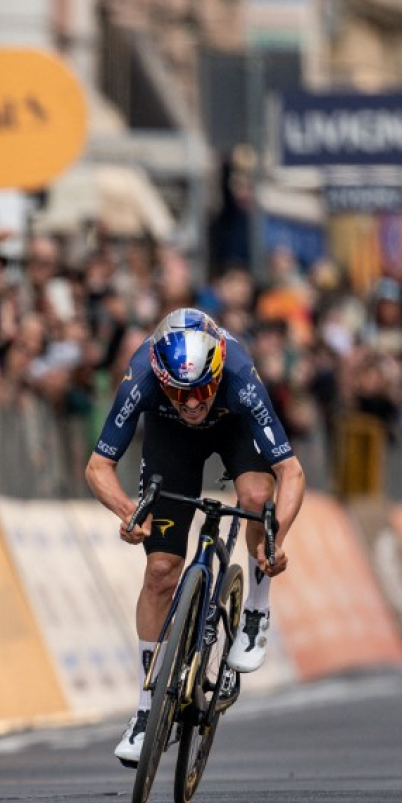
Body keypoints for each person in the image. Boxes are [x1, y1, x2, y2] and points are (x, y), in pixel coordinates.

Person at [84, 308, 307, 767]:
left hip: (234, 429)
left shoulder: (241, 374)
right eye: (179, 392)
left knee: (254, 494)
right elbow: (97, 466)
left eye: (202, 390)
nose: (191, 403)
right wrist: (128, 511)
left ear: (218, 371)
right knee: (160, 572)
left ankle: (256, 612)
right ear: (161, 377)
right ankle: (147, 710)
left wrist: (274, 540)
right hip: (171, 441)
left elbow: (291, 471)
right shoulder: (143, 373)